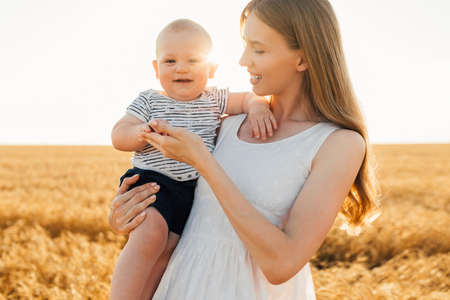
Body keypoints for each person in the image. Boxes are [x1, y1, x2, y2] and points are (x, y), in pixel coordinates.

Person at [108, 0, 379, 299]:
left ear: (302, 59)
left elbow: (282, 264)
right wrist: (127, 216)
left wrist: (202, 160)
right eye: (244, 45)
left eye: (258, 49)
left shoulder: (337, 143)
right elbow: (184, 210)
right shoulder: (224, 123)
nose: (242, 61)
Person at [109, 19, 277, 300]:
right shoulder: (150, 101)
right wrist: (140, 132)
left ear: (211, 69)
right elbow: (118, 135)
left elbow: (248, 98)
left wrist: (258, 108)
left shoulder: (214, 99)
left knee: (167, 252)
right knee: (150, 235)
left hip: (190, 191)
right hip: (154, 184)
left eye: (193, 60)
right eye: (170, 60)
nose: (181, 68)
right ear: (156, 68)